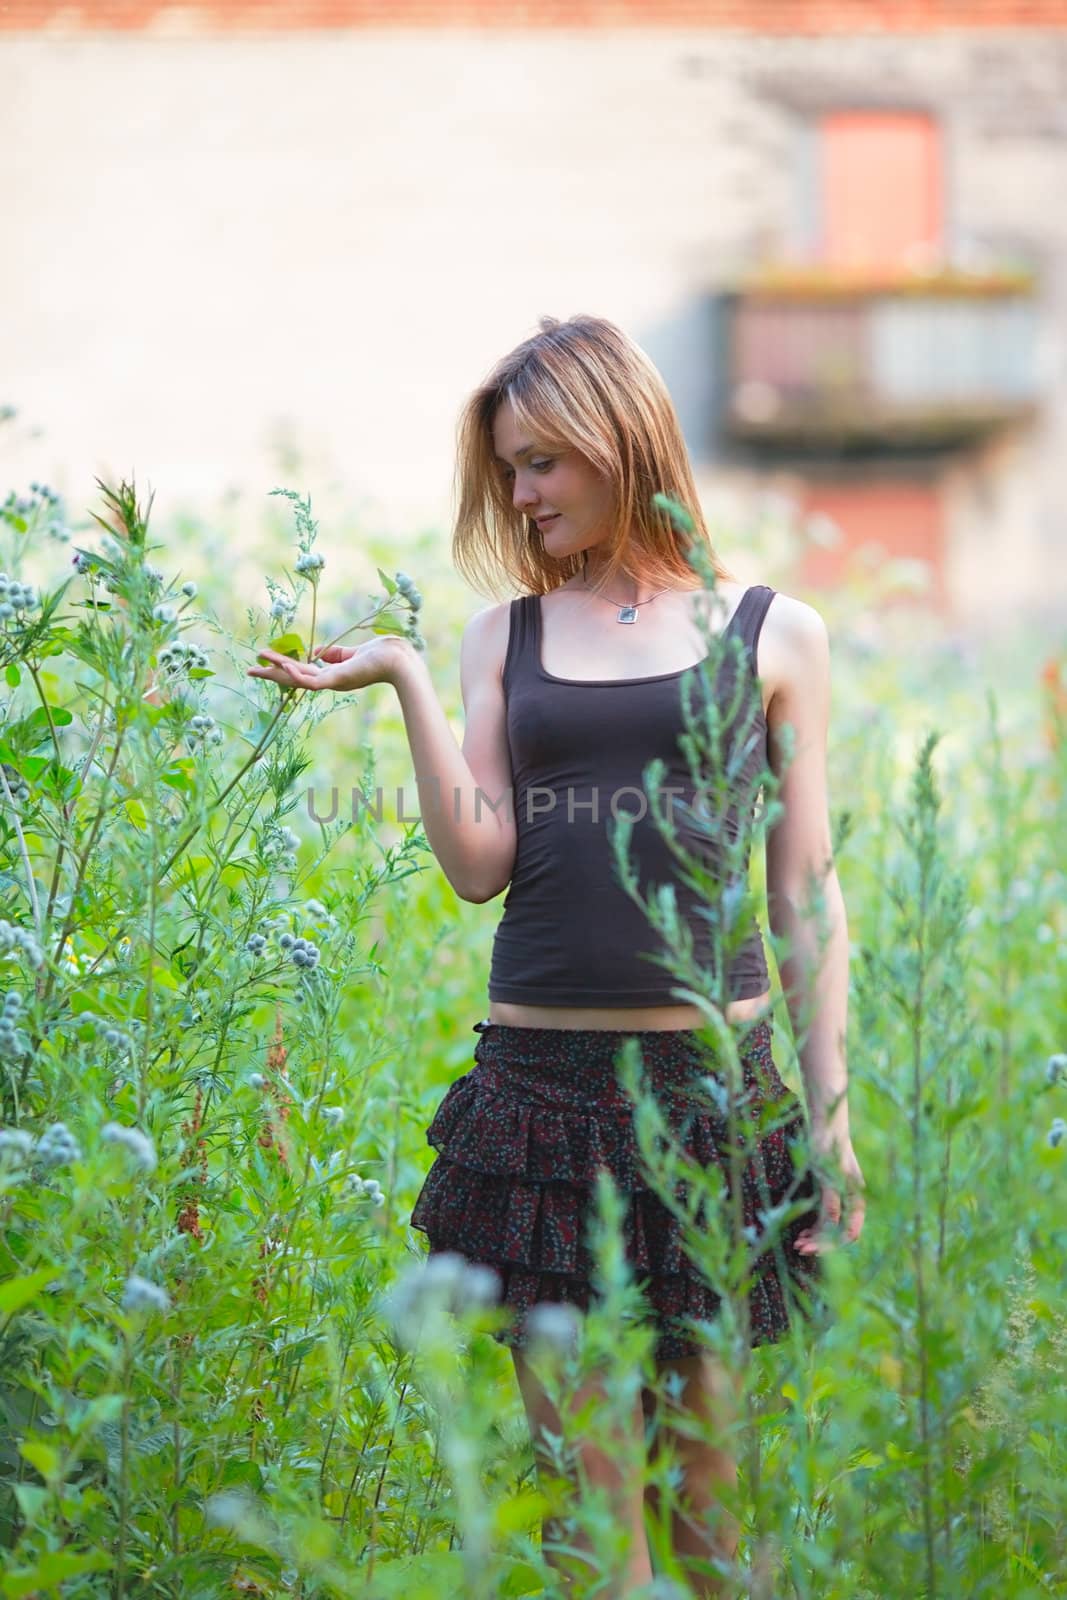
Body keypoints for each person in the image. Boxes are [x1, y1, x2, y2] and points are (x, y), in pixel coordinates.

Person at [247, 313, 866, 1597]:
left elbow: (804, 897)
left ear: (613, 436)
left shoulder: (772, 632)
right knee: (588, 1531)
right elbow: (478, 865)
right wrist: (409, 679)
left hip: (715, 1108)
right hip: (538, 1112)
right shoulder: (504, 641)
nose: (520, 496)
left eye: (540, 463)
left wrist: (834, 1124)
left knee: (708, 1529)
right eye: (509, 470)